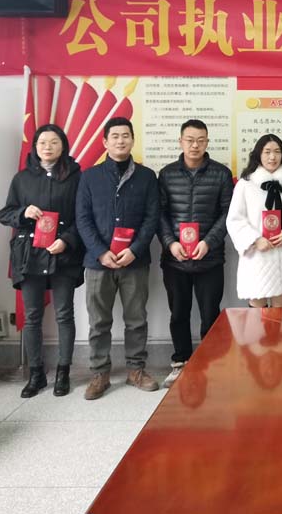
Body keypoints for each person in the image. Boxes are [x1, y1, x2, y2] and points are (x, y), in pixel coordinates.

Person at [76, 117, 160, 400]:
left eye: (125, 135)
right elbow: (82, 218)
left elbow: (152, 217)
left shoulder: (147, 177)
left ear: (133, 140)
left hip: (134, 261)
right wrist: (101, 252)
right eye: (115, 136)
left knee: (136, 319)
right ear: (105, 141)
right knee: (99, 321)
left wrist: (134, 249)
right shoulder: (89, 176)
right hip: (97, 262)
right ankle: (100, 373)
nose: (120, 140)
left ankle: (136, 370)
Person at [0, 123, 85, 398]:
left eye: (54, 142)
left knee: (64, 313)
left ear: (63, 146)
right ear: (35, 147)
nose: (48, 147)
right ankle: (36, 373)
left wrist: (67, 240)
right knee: (33, 316)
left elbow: (84, 216)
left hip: (63, 253)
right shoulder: (22, 179)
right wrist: (23, 212)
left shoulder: (76, 176)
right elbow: (5, 214)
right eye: (42, 143)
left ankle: (63, 371)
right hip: (30, 254)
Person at [156, 119, 233, 388]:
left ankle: (210, 363)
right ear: (180, 141)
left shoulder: (221, 174)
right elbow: (160, 214)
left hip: (209, 259)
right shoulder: (166, 174)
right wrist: (170, 243)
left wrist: (208, 242)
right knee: (178, 313)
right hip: (175, 260)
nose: (195, 145)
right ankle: (181, 362)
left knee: (210, 314)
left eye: (200, 140)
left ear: (207, 142)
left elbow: (227, 213)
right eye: (189, 140)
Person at [227, 134, 282, 308]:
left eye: (277, 152)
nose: (272, 157)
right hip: (256, 254)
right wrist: (255, 240)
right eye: (267, 152)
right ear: (258, 155)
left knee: (280, 308)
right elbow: (235, 219)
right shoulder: (245, 184)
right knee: (257, 306)